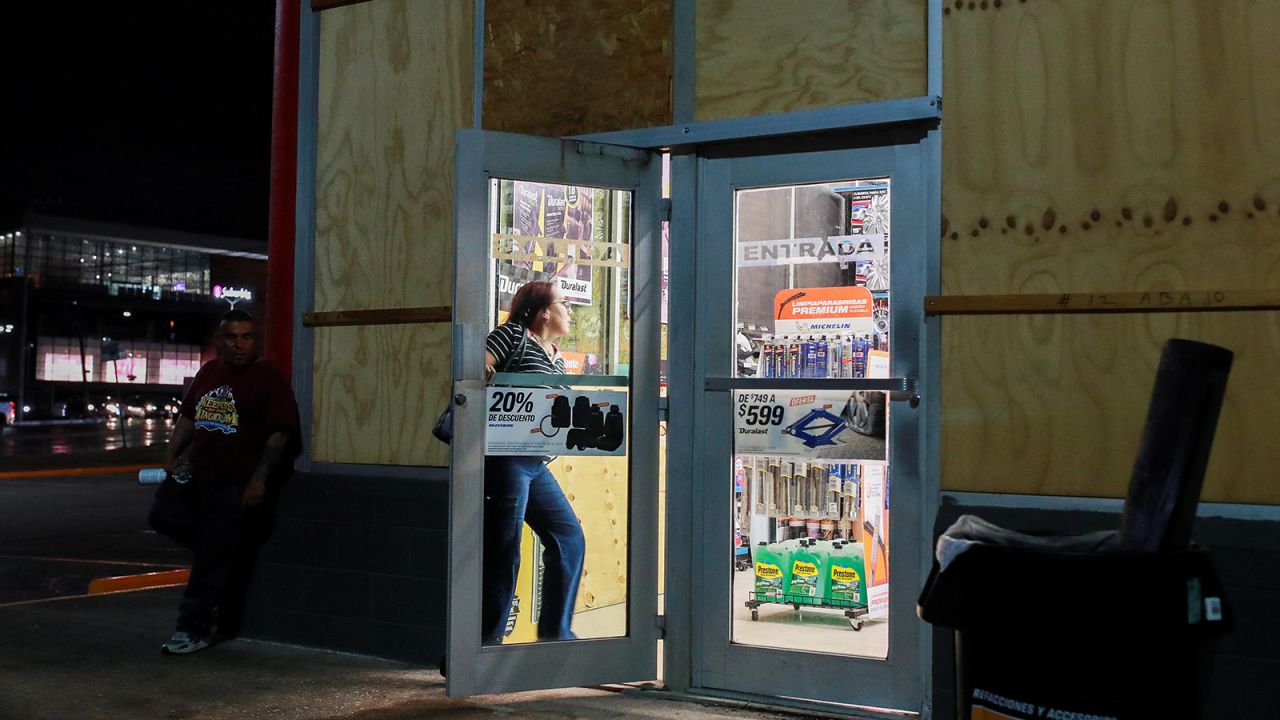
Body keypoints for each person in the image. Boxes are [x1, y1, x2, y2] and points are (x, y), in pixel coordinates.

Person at [149, 309, 300, 655]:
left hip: (235, 482)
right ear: (219, 340)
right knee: (162, 517)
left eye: (246, 337)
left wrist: (259, 480)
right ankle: (220, 550)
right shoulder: (209, 372)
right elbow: (189, 416)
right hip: (196, 475)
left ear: (255, 340)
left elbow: (280, 434)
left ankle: (193, 629)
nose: (239, 344)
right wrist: (171, 453)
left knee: (211, 558)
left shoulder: (267, 377)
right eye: (231, 337)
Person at [481, 280, 586, 644]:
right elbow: (479, 363)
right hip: (506, 460)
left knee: (569, 537)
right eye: (563, 304)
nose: (569, 311)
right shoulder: (512, 335)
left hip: (535, 463)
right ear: (543, 312)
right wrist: (485, 370)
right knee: (503, 553)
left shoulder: (555, 355)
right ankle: (482, 649)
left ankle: (556, 637)